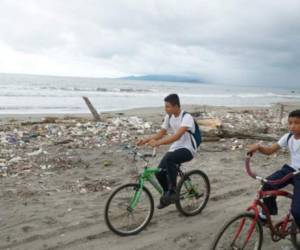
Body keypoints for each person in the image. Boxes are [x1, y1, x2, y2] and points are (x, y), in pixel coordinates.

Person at [137, 93, 196, 209]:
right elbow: (161, 133)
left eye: (168, 106)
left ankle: (173, 190)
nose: (166, 109)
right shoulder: (169, 117)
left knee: (170, 159)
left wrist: (158, 143)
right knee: (159, 172)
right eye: (165, 106)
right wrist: (145, 140)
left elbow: (177, 136)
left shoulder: (186, 117)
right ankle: (167, 196)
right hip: (176, 147)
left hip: (188, 148)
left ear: (176, 106)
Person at [247, 109, 300, 229]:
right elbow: (270, 150)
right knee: (267, 185)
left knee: (297, 212)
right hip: (291, 170)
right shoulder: (288, 137)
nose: (292, 126)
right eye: (290, 123)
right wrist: (259, 147)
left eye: (297, 123)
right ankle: (266, 214)